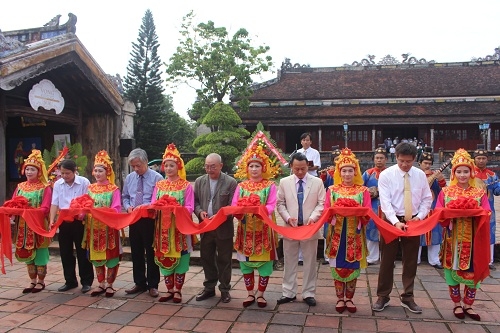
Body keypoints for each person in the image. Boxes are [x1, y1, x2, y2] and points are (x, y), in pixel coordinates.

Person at [372, 142, 432, 314]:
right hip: (391, 220)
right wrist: (394, 221)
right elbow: (385, 202)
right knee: (387, 259)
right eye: (401, 161)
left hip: (413, 220)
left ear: (414, 159)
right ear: (395, 157)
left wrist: (419, 217)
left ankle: (408, 296)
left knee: (411, 259)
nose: (405, 165)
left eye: (408, 161)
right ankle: (383, 295)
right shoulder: (386, 175)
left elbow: (427, 199)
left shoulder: (420, 175)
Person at [435, 148, 490, 321]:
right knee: (452, 268)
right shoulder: (446, 192)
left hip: (474, 239)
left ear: (471, 172)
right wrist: (448, 215)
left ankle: (469, 304)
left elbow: (487, 212)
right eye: (459, 171)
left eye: (466, 171)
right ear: (454, 173)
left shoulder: (479, 193)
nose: (462, 175)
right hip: (453, 237)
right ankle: (456, 303)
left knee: (474, 270)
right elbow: (438, 212)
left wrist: (478, 213)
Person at [232, 143, 279, 308]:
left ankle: (261, 294)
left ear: (263, 167)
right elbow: (234, 205)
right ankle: (250, 293)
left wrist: (259, 208)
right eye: (251, 166)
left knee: (265, 265)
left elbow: (272, 205)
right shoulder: (241, 186)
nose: (254, 169)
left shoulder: (270, 186)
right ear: (247, 168)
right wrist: (241, 210)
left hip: (264, 230)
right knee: (246, 264)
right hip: (245, 230)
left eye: (257, 166)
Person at [324, 148, 371, 313]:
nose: (347, 174)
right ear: (339, 172)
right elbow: (326, 211)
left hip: (355, 233)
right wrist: (336, 213)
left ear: (356, 172)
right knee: (337, 265)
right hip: (337, 233)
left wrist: (358, 214)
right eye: (344, 171)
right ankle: (339, 298)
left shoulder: (362, 191)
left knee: (352, 266)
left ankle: (349, 298)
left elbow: (367, 212)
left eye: (351, 170)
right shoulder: (332, 190)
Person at [276, 152, 325, 307]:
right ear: (291, 166)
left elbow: (322, 203)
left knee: (310, 262)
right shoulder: (284, 182)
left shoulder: (317, 182)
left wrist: (314, 218)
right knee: (289, 260)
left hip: (310, 227)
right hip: (290, 227)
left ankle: (308, 293)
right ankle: (288, 292)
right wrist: (287, 217)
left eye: (303, 169)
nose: (300, 172)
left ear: (308, 166)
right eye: (297, 169)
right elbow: (280, 203)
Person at [151, 143, 195, 303]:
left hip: (179, 228)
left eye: (172, 165)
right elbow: (153, 203)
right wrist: (158, 207)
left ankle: (178, 290)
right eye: (166, 165)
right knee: (164, 257)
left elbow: (189, 207)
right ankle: (169, 289)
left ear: (179, 167)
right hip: (162, 228)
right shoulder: (159, 185)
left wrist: (176, 208)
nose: (169, 168)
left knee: (182, 258)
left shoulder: (186, 186)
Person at [194, 153, 237, 303]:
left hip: (223, 227)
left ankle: (225, 289)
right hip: (206, 227)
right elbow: (195, 202)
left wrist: (219, 216)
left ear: (221, 166)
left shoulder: (231, 182)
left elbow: (233, 205)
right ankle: (209, 287)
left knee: (224, 259)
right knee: (206, 257)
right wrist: (200, 212)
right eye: (207, 166)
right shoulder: (199, 181)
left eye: (213, 166)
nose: (209, 169)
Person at [122, 148, 163, 297]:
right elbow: (125, 196)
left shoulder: (157, 178)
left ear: (146, 162)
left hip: (150, 219)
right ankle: (139, 282)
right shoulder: (130, 178)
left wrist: (146, 207)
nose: (136, 169)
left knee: (151, 251)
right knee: (136, 251)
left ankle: (153, 284)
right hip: (133, 218)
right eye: (133, 166)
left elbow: (158, 200)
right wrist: (127, 207)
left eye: (138, 165)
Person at [49, 159, 94, 293]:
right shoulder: (58, 184)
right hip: (64, 220)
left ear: (75, 171)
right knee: (65, 251)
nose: (64, 176)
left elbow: (88, 200)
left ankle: (86, 281)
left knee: (82, 251)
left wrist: (82, 213)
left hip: (80, 221)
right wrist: (52, 220)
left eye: (67, 173)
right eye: (62, 173)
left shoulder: (84, 182)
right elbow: (54, 203)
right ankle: (70, 281)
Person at [12, 149, 52, 293]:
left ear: (39, 171)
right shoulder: (20, 187)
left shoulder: (45, 188)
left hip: (38, 225)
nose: (29, 172)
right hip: (23, 225)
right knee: (26, 251)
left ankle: (41, 281)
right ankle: (32, 281)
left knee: (40, 251)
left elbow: (46, 207)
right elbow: (13, 203)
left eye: (32, 169)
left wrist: (31, 212)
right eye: (27, 169)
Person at [85, 150, 121, 297]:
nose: (98, 173)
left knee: (111, 255)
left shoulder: (114, 189)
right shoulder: (90, 188)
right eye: (96, 170)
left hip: (109, 228)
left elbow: (117, 208)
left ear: (107, 172)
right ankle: (101, 284)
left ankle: (110, 285)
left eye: (101, 170)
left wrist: (103, 212)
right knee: (96, 256)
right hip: (93, 228)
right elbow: (85, 205)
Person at [417, 149, 446, 268]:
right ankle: (415, 259)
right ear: (419, 163)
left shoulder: (436, 175)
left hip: (433, 208)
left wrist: (441, 180)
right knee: (417, 233)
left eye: (429, 163)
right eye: (425, 163)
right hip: (418, 209)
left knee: (435, 233)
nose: (427, 165)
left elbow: (444, 192)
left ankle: (434, 260)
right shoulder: (414, 175)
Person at [473, 148, 500, 271]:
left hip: (489, 209)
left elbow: (497, 191)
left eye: (483, 158)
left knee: (490, 233)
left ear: (487, 159)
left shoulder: (492, 175)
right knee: (473, 232)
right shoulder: (470, 174)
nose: (481, 161)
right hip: (473, 208)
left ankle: (489, 261)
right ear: (474, 159)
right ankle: (472, 258)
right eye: (478, 158)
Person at [362, 147, 388, 265]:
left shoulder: (390, 173)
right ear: (373, 159)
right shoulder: (368, 173)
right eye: (377, 158)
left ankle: (387, 258)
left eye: (381, 158)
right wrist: (370, 192)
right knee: (371, 230)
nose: (379, 160)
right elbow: (360, 188)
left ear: (386, 159)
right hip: (372, 206)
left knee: (386, 232)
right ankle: (372, 258)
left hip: (386, 207)